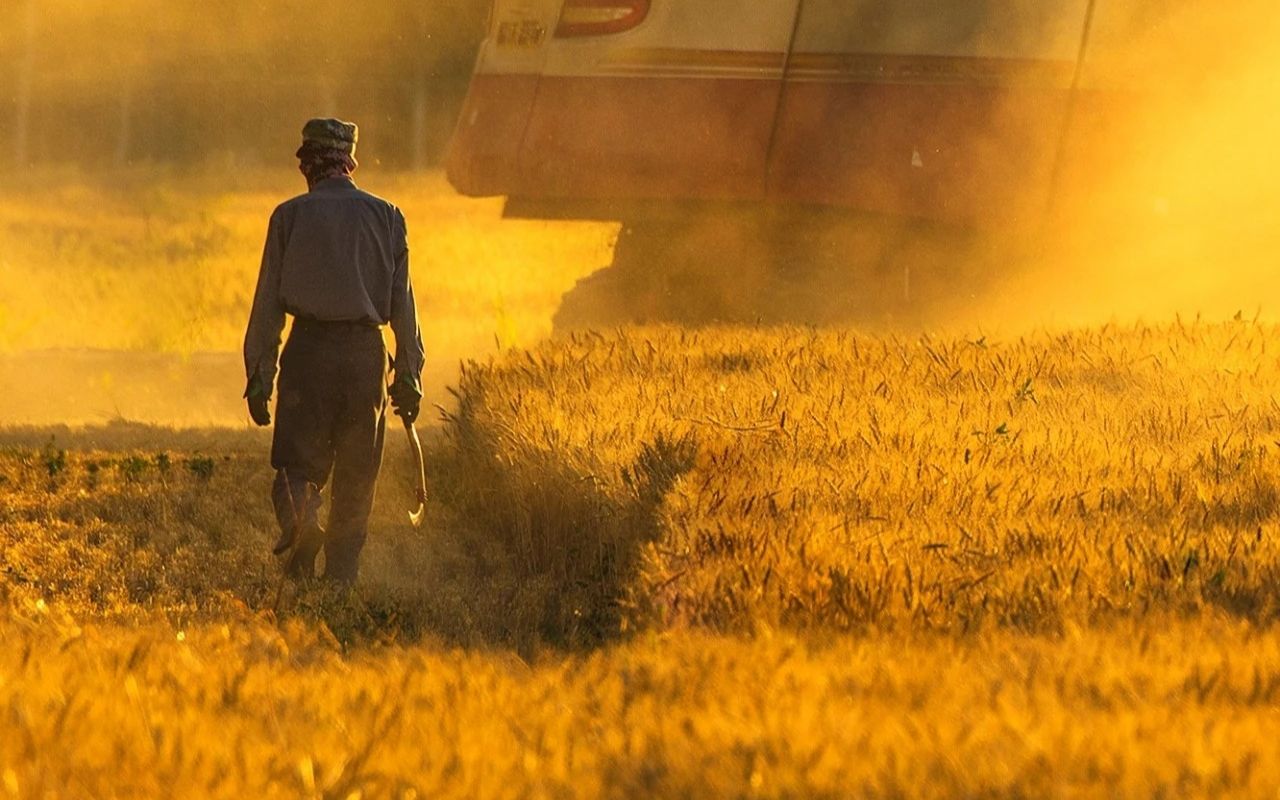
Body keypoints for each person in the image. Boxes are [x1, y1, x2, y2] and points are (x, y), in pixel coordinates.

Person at [242, 118, 424, 585]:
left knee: (295, 466)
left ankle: (302, 524)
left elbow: (268, 305)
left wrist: (260, 374)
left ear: (308, 162)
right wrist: (408, 374)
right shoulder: (388, 215)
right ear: (349, 161)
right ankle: (340, 583)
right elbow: (402, 305)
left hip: (310, 356)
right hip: (365, 358)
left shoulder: (289, 217)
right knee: (358, 478)